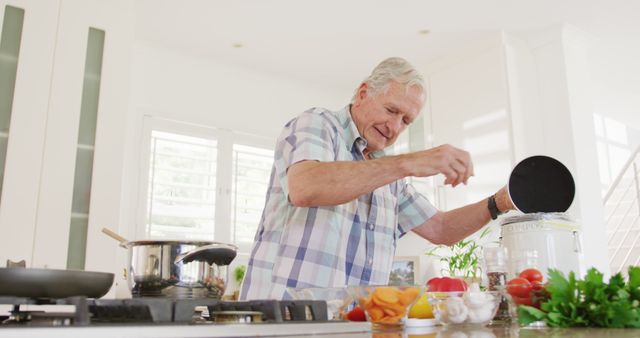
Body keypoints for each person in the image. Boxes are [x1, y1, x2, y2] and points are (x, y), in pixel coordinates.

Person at [239, 57, 514, 300]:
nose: (395, 127)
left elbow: (441, 229)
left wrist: (499, 202)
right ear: (362, 93)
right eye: (392, 110)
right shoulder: (318, 124)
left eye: (406, 121)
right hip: (283, 320)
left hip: (352, 326)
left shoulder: (389, 174)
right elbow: (306, 186)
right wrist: (409, 162)